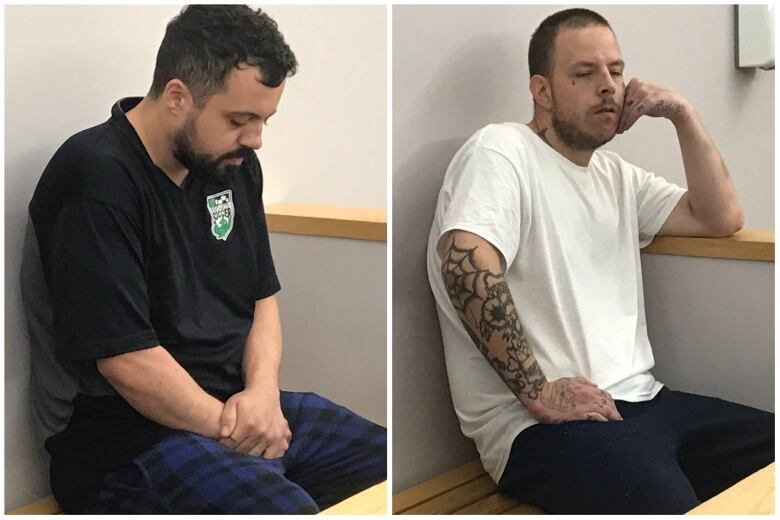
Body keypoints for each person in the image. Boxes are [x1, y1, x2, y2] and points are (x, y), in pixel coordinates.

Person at [22, 5, 385, 514]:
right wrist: (238, 431)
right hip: (122, 443)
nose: (256, 138)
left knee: (387, 473)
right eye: (240, 119)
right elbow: (126, 361)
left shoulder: (233, 166)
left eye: (264, 119)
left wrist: (261, 395)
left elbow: (263, 300)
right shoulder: (96, 178)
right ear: (177, 96)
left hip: (237, 408)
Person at [426, 7, 773, 515]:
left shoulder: (615, 176)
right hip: (538, 430)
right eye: (585, 74)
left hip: (647, 403)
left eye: (615, 70)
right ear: (541, 91)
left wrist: (682, 112)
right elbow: (463, 263)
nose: (609, 86)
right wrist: (537, 391)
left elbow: (722, 217)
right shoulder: (501, 151)